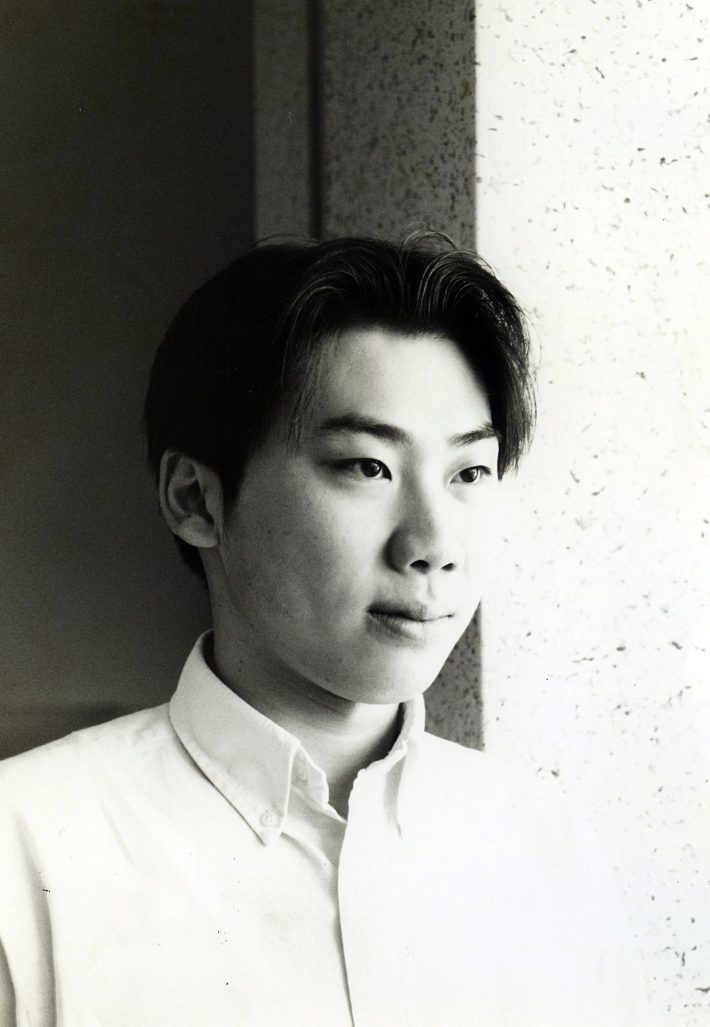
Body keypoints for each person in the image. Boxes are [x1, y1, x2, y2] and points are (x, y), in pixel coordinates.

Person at [0, 235, 649, 1025]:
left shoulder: (547, 845)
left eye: (469, 472)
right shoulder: (26, 847)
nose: (432, 544)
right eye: (367, 467)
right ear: (196, 499)